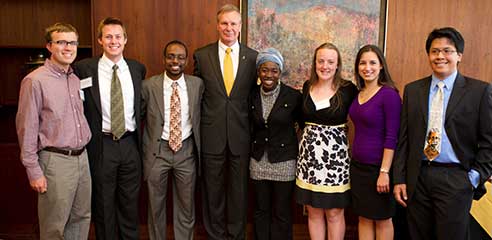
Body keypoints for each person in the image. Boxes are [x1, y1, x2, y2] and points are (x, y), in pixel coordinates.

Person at [393, 27, 492, 240]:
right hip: (418, 177)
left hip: (456, 178)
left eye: (447, 51)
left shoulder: (479, 91)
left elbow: (489, 141)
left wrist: (474, 178)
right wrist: (400, 178)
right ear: (429, 55)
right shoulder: (413, 90)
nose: (440, 56)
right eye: (434, 51)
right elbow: (404, 139)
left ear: (459, 55)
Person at [16, 23, 92, 239]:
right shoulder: (35, 81)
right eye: (61, 42)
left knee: (81, 219)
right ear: (49, 46)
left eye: (73, 42)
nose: (68, 47)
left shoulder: (76, 79)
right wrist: (33, 170)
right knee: (54, 226)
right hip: (56, 161)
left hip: (82, 159)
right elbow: (26, 128)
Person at [73, 17, 146, 240]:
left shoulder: (136, 69)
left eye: (117, 37)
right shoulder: (84, 68)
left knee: (130, 205)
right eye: (108, 37)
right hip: (101, 145)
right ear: (100, 40)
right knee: (103, 205)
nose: (113, 41)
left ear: (125, 40)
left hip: (130, 144)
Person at [193, 4, 258, 240]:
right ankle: (215, 235)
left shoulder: (252, 58)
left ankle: (236, 235)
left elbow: (254, 99)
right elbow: (196, 97)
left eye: (233, 24)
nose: (229, 28)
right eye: (224, 23)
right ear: (217, 25)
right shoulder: (202, 55)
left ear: (240, 27)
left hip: (241, 137)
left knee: (239, 193)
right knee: (212, 192)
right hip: (212, 136)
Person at [141, 40, 204, 240]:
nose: (175, 61)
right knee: (155, 206)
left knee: (186, 207)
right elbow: (138, 117)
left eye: (180, 57)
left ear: (186, 61)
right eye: (171, 56)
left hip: (186, 151)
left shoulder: (197, 85)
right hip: (157, 152)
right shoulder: (148, 85)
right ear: (164, 59)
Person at [295, 43, 358, 240]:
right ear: (314, 63)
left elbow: (365, 117)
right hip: (308, 160)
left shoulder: (348, 89)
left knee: (334, 213)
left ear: (338, 64)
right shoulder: (307, 86)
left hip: (335, 162)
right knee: (313, 212)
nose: (325, 66)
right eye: (321, 61)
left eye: (330, 62)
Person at [348, 44, 401, 240]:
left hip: (379, 170)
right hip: (358, 168)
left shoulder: (389, 95)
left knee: (382, 219)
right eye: (362, 63)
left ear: (381, 66)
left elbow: (392, 136)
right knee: (363, 218)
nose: (367, 67)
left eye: (372, 62)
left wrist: (384, 172)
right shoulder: (358, 94)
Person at [249, 48, 303, 240]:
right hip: (257, 161)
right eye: (264, 70)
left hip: (284, 162)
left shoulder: (293, 96)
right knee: (260, 210)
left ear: (280, 72)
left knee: (281, 212)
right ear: (258, 72)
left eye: (274, 70)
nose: (269, 75)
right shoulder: (252, 95)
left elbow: (302, 124)